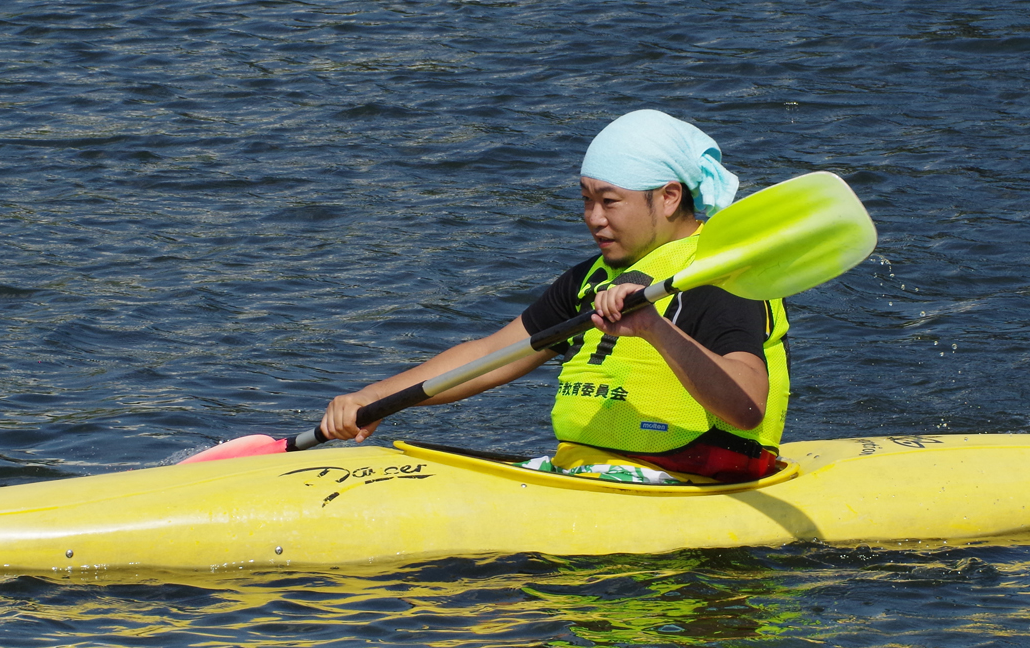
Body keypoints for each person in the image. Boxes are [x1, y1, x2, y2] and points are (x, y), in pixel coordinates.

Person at [319, 109, 791, 482]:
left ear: (668, 197)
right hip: (592, 472)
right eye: (585, 199)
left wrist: (653, 329)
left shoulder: (718, 278)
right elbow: (491, 354)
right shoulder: (590, 279)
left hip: (697, 478)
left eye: (609, 201)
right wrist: (374, 397)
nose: (593, 217)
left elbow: (748, 406)